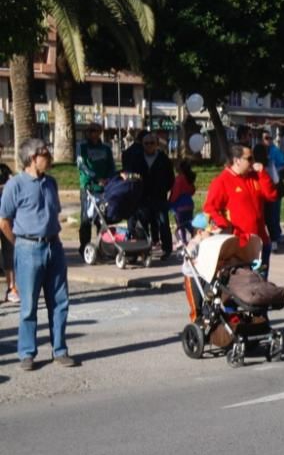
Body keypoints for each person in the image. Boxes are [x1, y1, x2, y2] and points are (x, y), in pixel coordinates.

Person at [0, 139, 78, 371]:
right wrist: (20, 243)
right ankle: (27, 353)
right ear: (32, 158)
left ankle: (60, 350)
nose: (50, 156)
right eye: (45, 153)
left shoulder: (51, 183)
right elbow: (4, 221)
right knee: (29, 306)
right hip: (28, 249)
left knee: (60, 302)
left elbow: (54, 213)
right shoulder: (15, 185)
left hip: (54, 247)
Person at [203, 143, 278, 272]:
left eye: (253, 158)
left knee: (262, 285)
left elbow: (271, 196)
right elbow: (209, 208)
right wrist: (225, 225)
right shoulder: (222, 181)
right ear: (237, 160)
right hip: (241, 245)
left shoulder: (255, 176)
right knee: (246, 285)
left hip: (261, 241)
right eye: (249, 159)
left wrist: (262, 173)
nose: (253, 162)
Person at [124, 131, 175, 259]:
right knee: (142, 224)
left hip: (159, 197)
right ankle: (144, 249)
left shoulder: (163, 159)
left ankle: (167, 249)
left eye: (152, 143)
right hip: (143, 197)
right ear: (142, 144)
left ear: (156, 144)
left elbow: (171, 178)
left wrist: (163, 188)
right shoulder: (137, 159)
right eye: (146, 143)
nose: (149, 146)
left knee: (163, 223)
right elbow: (131, 176)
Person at [76, 123, 116, 256]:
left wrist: (109, 179)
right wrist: (95, 178)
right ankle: (84, 246)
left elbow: (111, 166)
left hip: (104, 187)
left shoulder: (106, 148)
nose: (94, 133)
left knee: (103, 217)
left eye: (97, 130)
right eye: (91, 131)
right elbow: (82, 165)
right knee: (86, 218)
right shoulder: (82, 147)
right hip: (88, 186)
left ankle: (102, 246)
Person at [261, 130, 284, 249]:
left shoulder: (275, 151)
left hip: (274, 187)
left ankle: (276, 237)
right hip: (262, 188)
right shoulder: (259, 151)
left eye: (270, 138)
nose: (269, 140)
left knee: (274, 213)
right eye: (266, 138)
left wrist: (275, 172)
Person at [0, 146, 18, 304]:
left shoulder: (4, 169)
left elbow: (14, 184)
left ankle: (11, 288)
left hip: (5, 217)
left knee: (9, 251)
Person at [169, 159, 197, 248]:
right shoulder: (189, 178)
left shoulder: (179, 179)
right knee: (188, 222)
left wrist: (170, 202)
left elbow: (176, 193)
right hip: (189, 204)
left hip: (179, 206)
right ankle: (195, 235)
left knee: (180, 224)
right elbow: (192, 191)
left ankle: (183, 240)